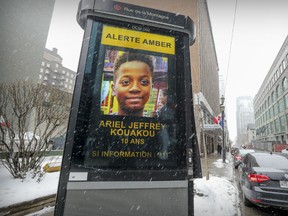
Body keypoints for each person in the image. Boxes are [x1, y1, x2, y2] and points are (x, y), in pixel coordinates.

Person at [112, 52, 154, 116]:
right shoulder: (100, 124)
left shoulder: (157, 125)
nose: (135, 88)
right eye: (126, 82)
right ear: (113, 89)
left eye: (144, 82)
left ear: (151, 89)